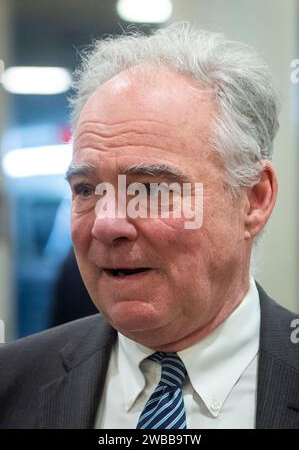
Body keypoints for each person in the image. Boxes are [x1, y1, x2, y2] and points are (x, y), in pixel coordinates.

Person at [1, 22, 299, 429]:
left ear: (254, 199)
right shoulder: (12, 385)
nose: (106, 224)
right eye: (86, 189)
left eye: (151, 189)